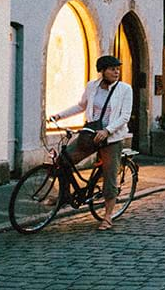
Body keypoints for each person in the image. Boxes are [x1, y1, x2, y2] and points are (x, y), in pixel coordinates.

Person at [49, 54, 131, 231]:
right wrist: (59, 115)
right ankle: (64, 196)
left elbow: (124, 116)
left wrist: (107, 131)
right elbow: (81, 105)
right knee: (63, 160)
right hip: (91, 134)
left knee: (109, 177)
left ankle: (108, 217)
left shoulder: (125, 89)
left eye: (118, 69)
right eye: (112, 69)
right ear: (102, 71)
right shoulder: (92, 86)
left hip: (112, 138)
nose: (116, 72)